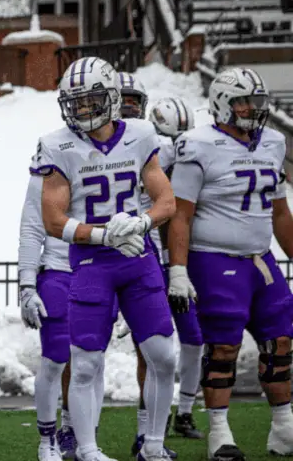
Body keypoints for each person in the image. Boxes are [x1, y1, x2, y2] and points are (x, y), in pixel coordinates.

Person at [32, 56, 177, 461]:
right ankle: (88, 450)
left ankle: (152, 444)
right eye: (74, 102)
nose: (81, 110)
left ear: (112, 96)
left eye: (90, 99)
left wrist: (138, 224)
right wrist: (102, 234)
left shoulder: (141, 135)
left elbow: (166, 202)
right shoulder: (57, 144)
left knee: (165, 357)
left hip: (137, 257)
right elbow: (52, 219)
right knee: (84, 364)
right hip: (92, 263)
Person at [167, 67, 293, 460]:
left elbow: (280, 214)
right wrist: (178, 269)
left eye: (256, 101)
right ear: (222, 102)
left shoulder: (273, 142)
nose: (251, 109)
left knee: (282, 342)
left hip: (261, 260)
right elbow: (180, 215)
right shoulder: (198, 144)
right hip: (214, 259)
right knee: (223, 347)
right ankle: (219, 433)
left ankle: (284, 428)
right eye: (242, 101)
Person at [115, 73, 180, 459]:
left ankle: (146, 436)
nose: (126, 105)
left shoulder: (158, 145)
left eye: (132, 98)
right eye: (119, 97)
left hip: (146, 247)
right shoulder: (86, 141)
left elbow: (174, 204)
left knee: (152, 348)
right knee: (81, 348)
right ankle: (73, 433)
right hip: (98, 248)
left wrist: (176, 264)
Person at [146, 96, 203, 442]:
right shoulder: (144, 157)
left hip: (179, 263)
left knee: (194, 340)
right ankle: (153, 420)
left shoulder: (191, 162)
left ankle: (183, 412)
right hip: (150, 260)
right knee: (155, 347)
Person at [18, 142, 73, 461]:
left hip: (101, 271)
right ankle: (47, 438)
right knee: (55, 359)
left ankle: (78, 434)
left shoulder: (116, 156)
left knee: (91, 363)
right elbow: (30, 229)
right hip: (57, 269)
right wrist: (27, 284)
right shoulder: (50, 163)